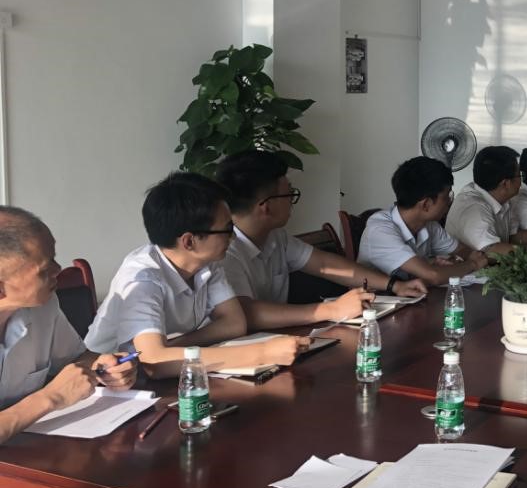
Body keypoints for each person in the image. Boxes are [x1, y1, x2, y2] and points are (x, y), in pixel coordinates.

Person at [0, 207, 136, 488]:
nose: (58, 271)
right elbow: (53, 393)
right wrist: (49, 398)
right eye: (45, 268)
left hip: (21, 462)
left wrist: (103, 366)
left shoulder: (41, 306)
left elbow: (76, 359)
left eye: (55, 258)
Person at [85, 173, 306, 377]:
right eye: (227, 229)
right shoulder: (142, 278)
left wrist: (174, 347)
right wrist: (262, 353)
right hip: (110, 380)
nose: (233, 238)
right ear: (189, 241)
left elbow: (234, 323)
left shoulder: (208, 263)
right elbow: (155, 363)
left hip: (169, 371)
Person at [215, 151, 426, 329]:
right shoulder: (224, 251)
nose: (292, 202)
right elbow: (246, 312)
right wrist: (331, 310)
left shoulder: (275, 237)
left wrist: (394, 285)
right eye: (289, 194)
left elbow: (325, 265)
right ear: (266, 207)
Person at [358, 156, 488, 285]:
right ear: (426, 204)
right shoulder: (380, 230)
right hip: (377, 297)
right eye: (446, 196)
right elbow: (433, 276)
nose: (449, 201)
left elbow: (462, 251)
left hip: (413, 295)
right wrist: (472, 264)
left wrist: (454, 260)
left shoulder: (429, 225)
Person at [445, 146, 527, 255]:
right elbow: (491, 251)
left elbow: (513, 237)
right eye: (519, 176)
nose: (522, 181)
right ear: (505, 184)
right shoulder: (475, 208)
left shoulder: (503, 200)